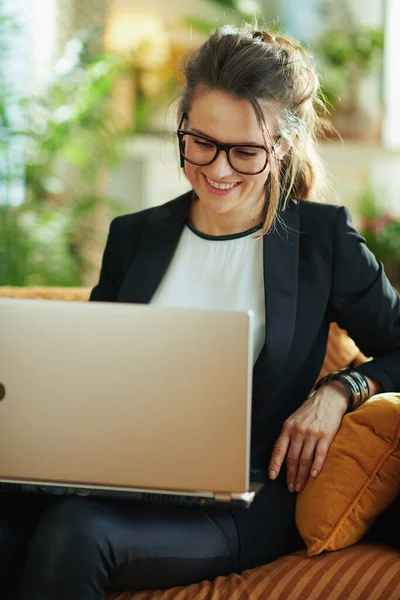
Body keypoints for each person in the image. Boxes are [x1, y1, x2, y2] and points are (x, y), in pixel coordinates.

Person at [2, 23, 400, 600]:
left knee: (80, 533)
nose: (217, 169)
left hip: (241, 505)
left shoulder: (322, 241)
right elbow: (91, 373)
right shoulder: (134, 236)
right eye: (202, 142)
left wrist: (341, 390)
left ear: (282, 146)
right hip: (117, 476)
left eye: (245, 152)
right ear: (183, 126)